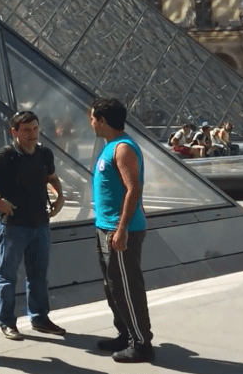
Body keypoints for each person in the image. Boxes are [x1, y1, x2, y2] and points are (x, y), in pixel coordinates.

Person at [0, 111, 66, 341]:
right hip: (14, 225)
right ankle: (7, 322)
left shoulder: (44, 153)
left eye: (35, 129)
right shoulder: (6, 155)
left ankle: (39, 318)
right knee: (7, 276)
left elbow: (52, 178)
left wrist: (60, 196)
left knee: (38, 276)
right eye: (26, 130)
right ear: (13, 132)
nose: (32, 134)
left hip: (40, 224)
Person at [88, 98, 154, 363]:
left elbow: (133, 189)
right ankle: (125, 333)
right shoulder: (111, 147)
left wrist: (123, 228)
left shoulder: (122, 148)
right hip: (106, 227)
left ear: (102, 120)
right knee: (113, 286)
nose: (91, 122)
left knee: (127, 287)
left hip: (118, 230)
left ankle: (141, 343)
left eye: (92, 118)